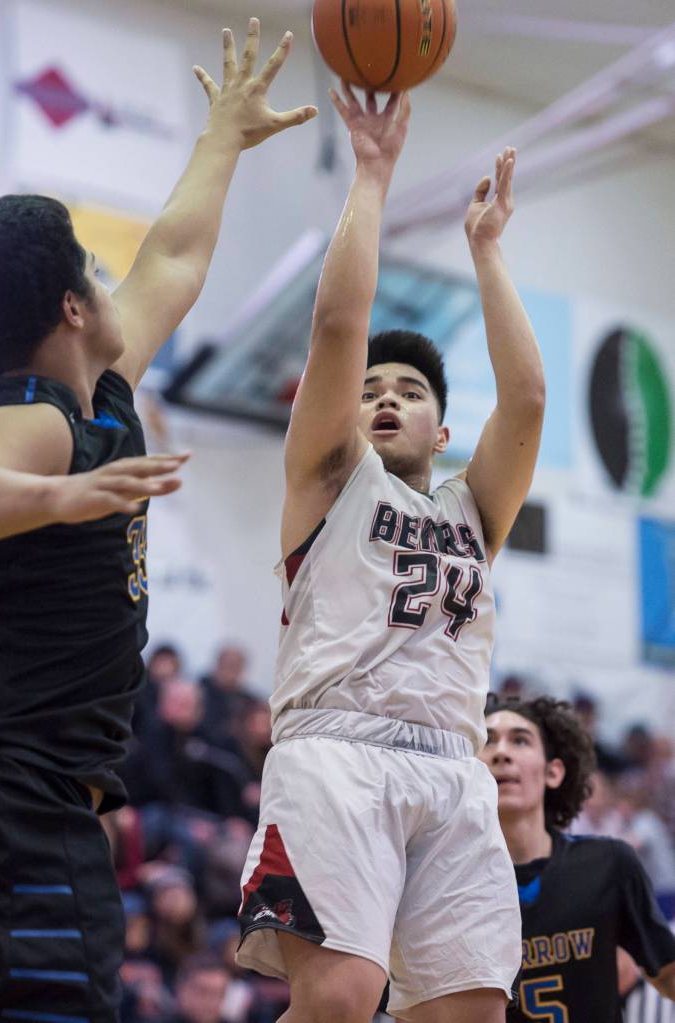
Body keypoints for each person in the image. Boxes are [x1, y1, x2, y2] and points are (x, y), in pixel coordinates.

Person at [0, 19, 315, 1022]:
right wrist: (56, 497)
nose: (114, 273)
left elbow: (172, 256)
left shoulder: (101, 396)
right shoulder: (31, 423)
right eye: (93, 262)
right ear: (76, 308)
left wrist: (222, 137)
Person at [237, 81, 545, 1023]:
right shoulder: (331, 476)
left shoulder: (473, 507)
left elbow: (527, 399)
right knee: (339, 996)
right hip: (339, 750)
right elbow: (336, 327)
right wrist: (370, 177)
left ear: (443, 429)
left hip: (454, 767)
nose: (385, 396)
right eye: (372, 387)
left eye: (410, 389)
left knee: (471, 1010)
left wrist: (486, 251)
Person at [481, 696, 675, 1021]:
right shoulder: (449, 883)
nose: (502, 752)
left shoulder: (609, 863)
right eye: (487, 741)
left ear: (553, 771)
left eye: (519, 740)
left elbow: (668, 973)